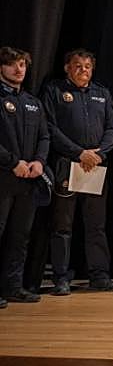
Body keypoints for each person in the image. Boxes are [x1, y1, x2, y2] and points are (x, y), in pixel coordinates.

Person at [42, 50, 113, 294]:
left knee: (96, 224)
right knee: (62, 225)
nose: (83, 70)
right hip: (67, 164)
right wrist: (79, 153)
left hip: (96, 166)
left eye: (87, 66)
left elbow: (111, 127)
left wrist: (100, 154)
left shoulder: (102, 93)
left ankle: (99, 276)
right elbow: (50, 128)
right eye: (77, 65)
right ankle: (61, 277)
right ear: (67, 67)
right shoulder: (54, 90)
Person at [0, 46, 49, 305]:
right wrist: (12, 162)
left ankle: (13, 286)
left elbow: (44, 136)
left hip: (29, 180)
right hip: (4, 177)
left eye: (22, 65)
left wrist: (39, 162)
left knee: (20, 236)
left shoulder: (33, 102)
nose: (19, 69)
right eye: (12, 64)